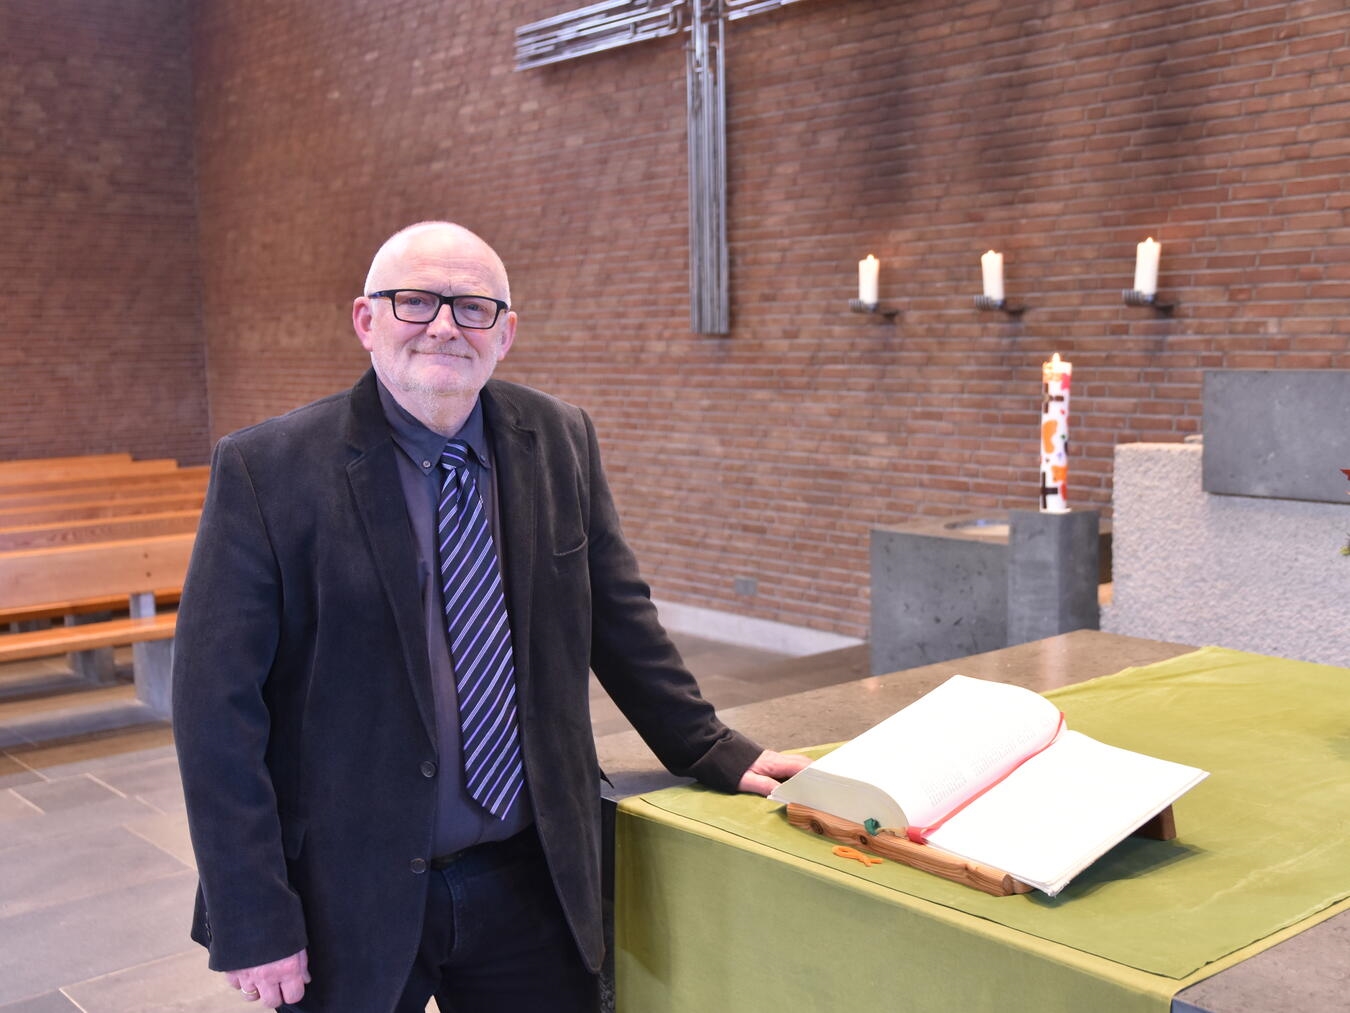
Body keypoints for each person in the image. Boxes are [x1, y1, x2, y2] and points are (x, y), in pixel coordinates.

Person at [171, 220, 809, 1012]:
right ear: (367, 321)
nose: (443, 324)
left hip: (529, 878)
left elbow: (618, 617)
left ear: (505, 334)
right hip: (347, 889)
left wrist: (708, 744)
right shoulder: (267, 470)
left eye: (472, 307)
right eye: (415, 301)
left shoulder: (559, 438)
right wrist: (253, 913)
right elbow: (213, 710)